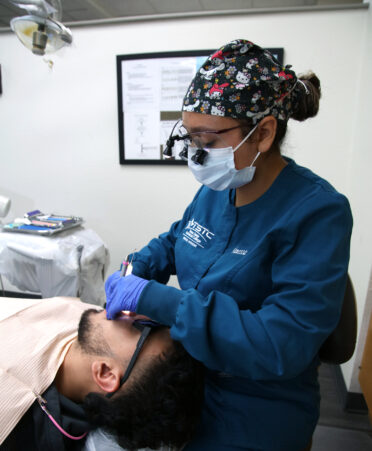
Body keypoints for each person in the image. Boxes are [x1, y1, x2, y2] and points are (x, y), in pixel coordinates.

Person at [105, 39, 353, 450]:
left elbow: (279, 343)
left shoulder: (318, 213)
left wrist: (159, 301)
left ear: (264, 133)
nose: (197, 156)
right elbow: (178, 238)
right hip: (193, 369)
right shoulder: (220, 188)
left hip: (258, 399)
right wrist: (142, 264)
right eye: (190, 138)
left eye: (209, 140)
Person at [0, 296, 204, 451]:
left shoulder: (15, 417)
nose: (137, 312)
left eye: (142, 327)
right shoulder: (94, 324)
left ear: (106, 373)